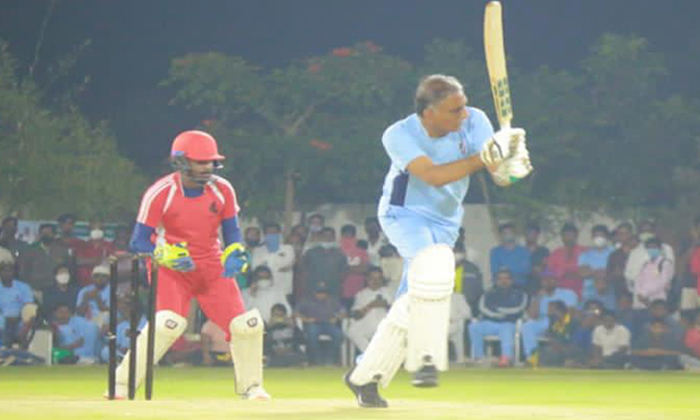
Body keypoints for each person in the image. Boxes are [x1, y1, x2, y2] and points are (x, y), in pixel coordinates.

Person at [344, 74, 531, 408]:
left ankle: (365, 376)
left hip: (446, 221)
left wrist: (511, 159)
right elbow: (432, 176)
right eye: (454, 110)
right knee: (432, 273)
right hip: (405, 215)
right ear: (428, 113)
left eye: (463, 106)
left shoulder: (475, 121)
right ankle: (427, 359)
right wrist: (485, 156)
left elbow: (502, 179)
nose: (464, 115)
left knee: (412, 299)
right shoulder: (399, 134)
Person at [110, 130, 269, 400]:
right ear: (181, 161)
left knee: (245, 325)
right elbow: (138, 242)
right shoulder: (161, 192)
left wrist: (235, 251)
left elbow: (232, 231)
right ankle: (122, 385)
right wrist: (162, 255)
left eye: (210, 162)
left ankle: (252, 386)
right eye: (200, 162)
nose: (208, 167)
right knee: (167, 324)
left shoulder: (223, 189)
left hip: (211, 266)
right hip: (172, 267)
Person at [468, 268, 527, 367]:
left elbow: (520, 308)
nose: (504, 281)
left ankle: (506, 359)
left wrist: (500, 311)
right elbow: (482, 307)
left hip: (509, 322)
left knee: (506, 329)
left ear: (511, 280)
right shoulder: (489, 293)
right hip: (491, 322)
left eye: (507, 278)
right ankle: (479, 358)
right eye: (500, 279)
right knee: (473, 327)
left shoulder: (520, 294)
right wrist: (494, 314)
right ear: (496, 280)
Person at [346, 267, 393, 353]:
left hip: (385, 324)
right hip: (367, 324)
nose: (376, 281)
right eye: (373, 278)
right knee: (351, 331)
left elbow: (396, 310)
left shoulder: (388, 291)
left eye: (379, 278)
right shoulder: (361, 294)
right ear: (367, 279)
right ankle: (370, 354)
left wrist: (386, 305)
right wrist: (370, 305)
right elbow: (356, 315)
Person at [489, 222, 531, 288]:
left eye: (510, 232)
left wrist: (505, 269)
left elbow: (524, 270)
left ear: (514, 234)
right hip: (500, 287)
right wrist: (513, 270)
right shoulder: (495, 252)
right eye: (505, 233)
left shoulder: (523, 251)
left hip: (520, 286)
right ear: (501, 236)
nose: (508, 235)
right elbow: (495, 271)